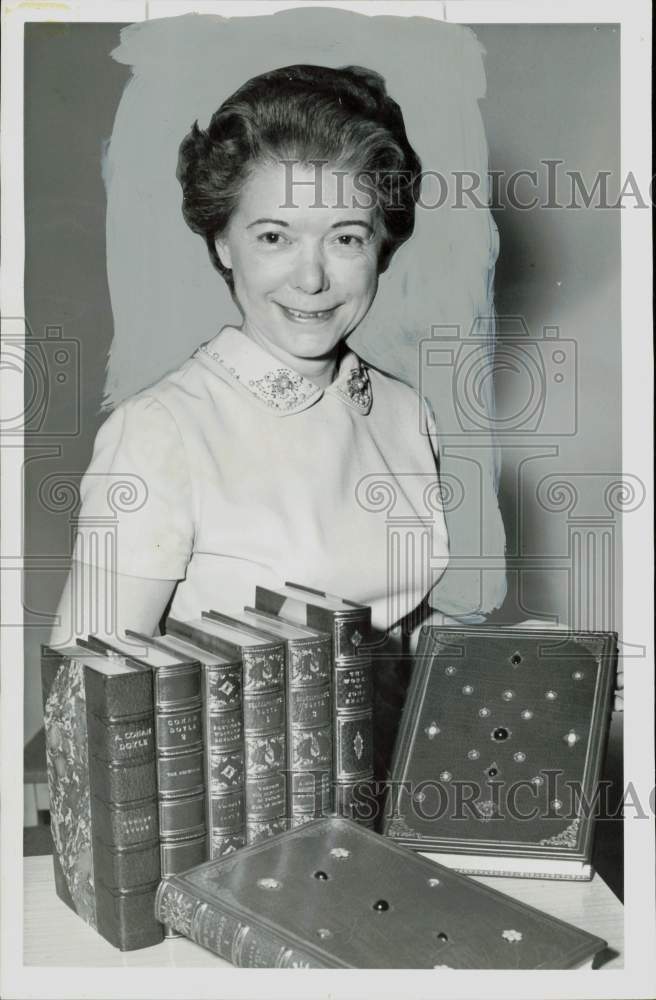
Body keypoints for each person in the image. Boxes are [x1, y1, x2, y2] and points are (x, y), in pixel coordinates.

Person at [50, 64, 456, 655]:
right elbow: (87, 690)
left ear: (381, 245)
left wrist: (504, 650)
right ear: (223, 243)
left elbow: (389, 630)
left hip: (390, 748)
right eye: (274, 237)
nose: (312, 278)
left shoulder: (403, 412)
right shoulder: (159, 433)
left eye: (346, 238)